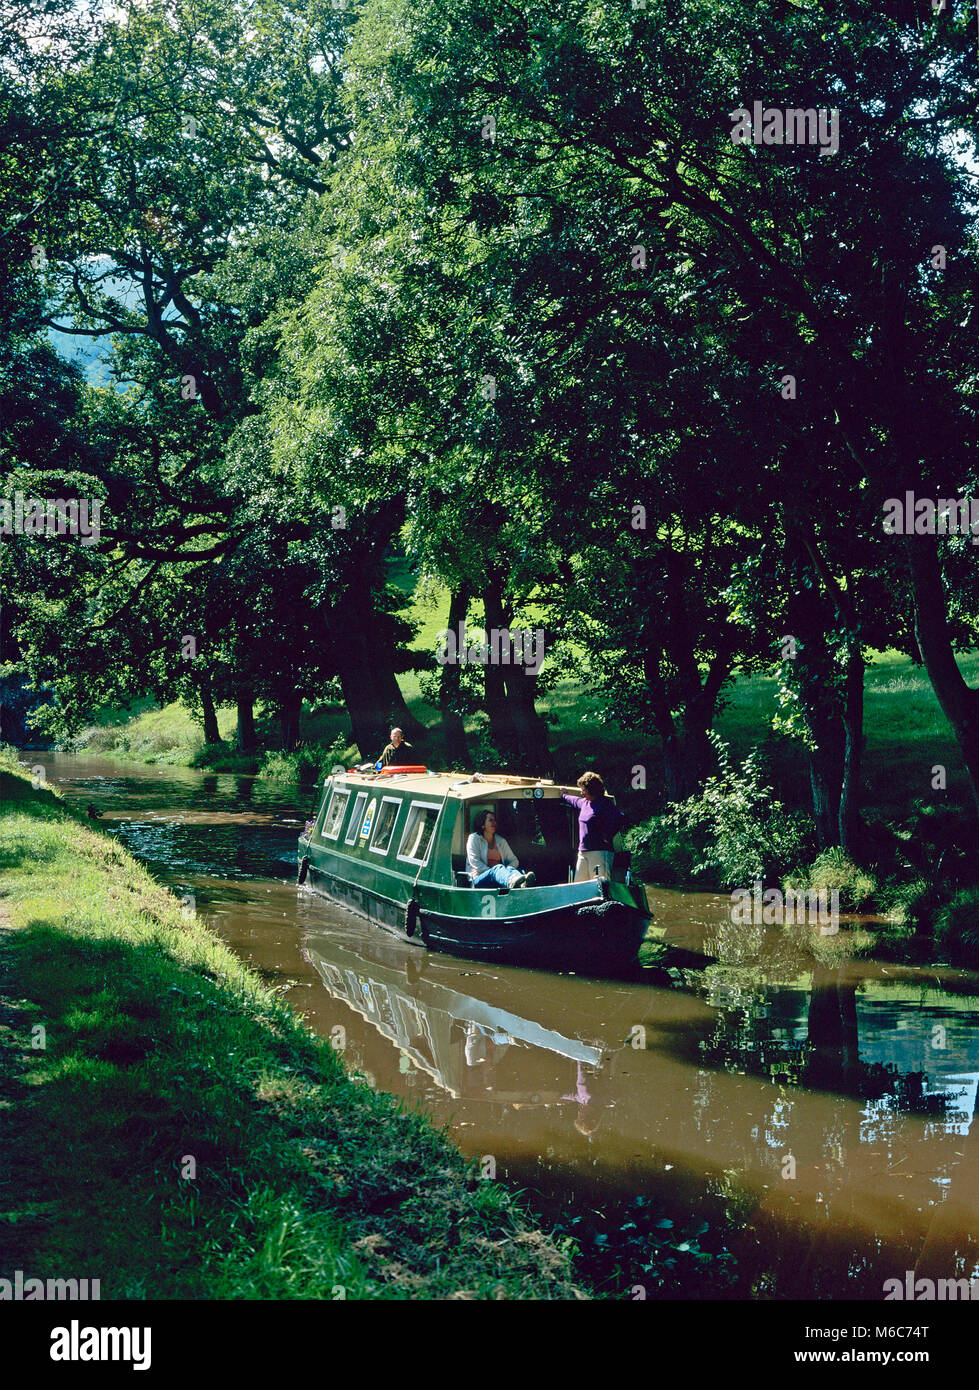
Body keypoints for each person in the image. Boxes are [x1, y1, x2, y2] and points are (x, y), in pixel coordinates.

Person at [562, 771, 625, 882]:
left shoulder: (604, 804)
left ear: (592, 790)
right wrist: (564, 795)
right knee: (578, 885)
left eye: (583, 790)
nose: (581, 793)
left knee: (600, 886)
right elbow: (574, 801)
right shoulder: (584, 803)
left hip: (599, 852)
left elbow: (620, 818)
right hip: (583, 852)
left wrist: (607, 836)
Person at [466, 809, 536, 889]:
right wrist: (494, 872)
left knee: (510, 868)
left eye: (495, 820)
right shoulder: (474, 838)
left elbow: (514, 860)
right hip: (479, 878)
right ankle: (511, 881)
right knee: (497, 868)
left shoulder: (501, 840)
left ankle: (522, 883)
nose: (494, 823)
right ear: (482, 824)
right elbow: (474, 862)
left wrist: (505, 871)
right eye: (490, 820)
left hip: (500, 877)